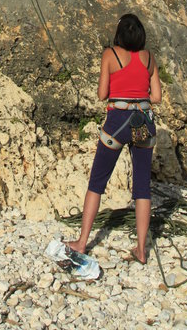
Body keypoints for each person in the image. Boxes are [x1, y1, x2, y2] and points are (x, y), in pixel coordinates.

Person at [65, 13, 162, 264]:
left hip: (117, 122)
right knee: (142, 186)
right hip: (143, 122)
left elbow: (101, 94)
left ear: (119, 34)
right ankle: (141, 249)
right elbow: (158, 96)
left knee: (97, 181)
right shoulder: (149, 57)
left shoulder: (110, 54)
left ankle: (82, 241)